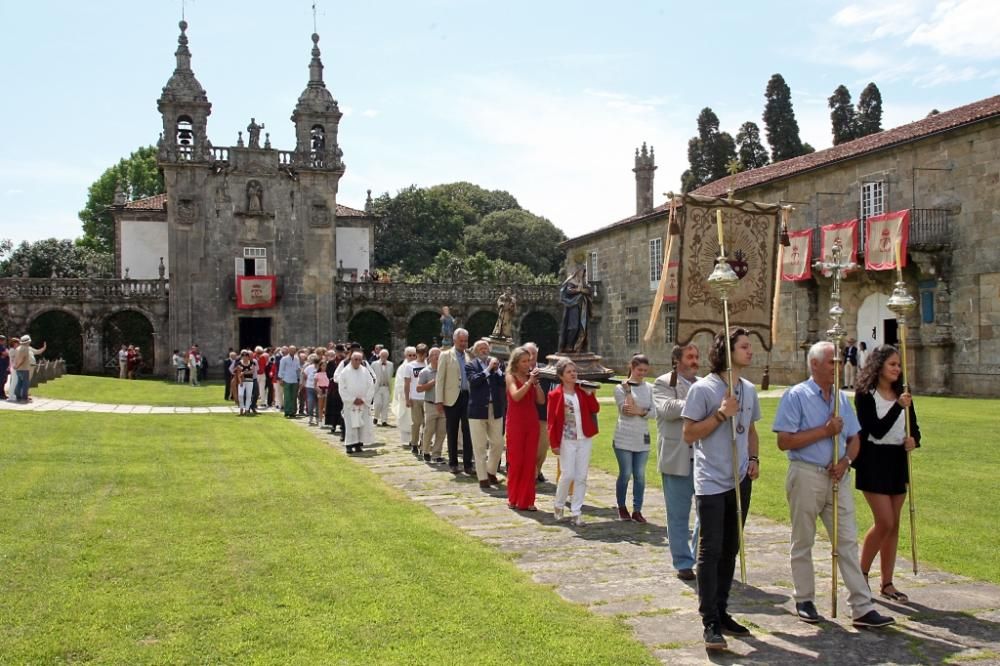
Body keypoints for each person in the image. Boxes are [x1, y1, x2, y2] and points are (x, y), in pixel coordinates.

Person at [773, 341, 895, 629]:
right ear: (814, 364)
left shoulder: (841, 398)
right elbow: (784, 441)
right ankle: (804, 598)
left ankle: (861, 607)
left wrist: (846, 463)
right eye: (832, 362)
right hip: (806, 474)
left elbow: (855, 438)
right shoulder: (796, 396)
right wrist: (824, 431)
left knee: (847, 541)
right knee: (803, 539)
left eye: (839, 362)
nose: (838, 367)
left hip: (837, 476)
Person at [681, 327, 760, 650]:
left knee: (731, 549)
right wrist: (720, 414)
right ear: (727, 352)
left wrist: (753, 457)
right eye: (744, 346)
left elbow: (751, 429)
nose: (750, 351)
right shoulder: (703, 389)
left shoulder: (749, 389)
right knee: (711, 549)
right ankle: (709, 620)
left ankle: (723, 610)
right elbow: (689, 434)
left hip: (739, 478)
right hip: (711, 480)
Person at [853, 344, 921, 604]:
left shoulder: (903, 393)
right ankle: (860, 574)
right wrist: (897, 407)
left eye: (899, 365)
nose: (897, 369)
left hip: (896, 460)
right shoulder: (865, 394)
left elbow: (913, 428)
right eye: (892, 364)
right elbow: (876, 430)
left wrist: (913, 440)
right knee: (885, 521)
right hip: (873, 461)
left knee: (894, 525)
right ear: (879, 365)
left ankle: (887, 583)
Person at [653, 343, 701, 581]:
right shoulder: (663, 382)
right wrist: (701, 402)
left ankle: (700, 556)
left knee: (707, 513)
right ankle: (683, 561)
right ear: (677, 360)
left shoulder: (702, 383)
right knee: (678, 514)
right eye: (690, 356)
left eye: (696, 356)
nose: (695, 361)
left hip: (704, 459)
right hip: (677, 457)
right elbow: (667, 409)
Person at [547, 358, 600, 525]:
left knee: (581, 476)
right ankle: (559, 505)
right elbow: (551, 421)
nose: (573, 374)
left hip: (584, 437)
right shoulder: (555, 395)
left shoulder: (582, 391)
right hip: (566, 439)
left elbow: (595, 409)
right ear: (561, 376)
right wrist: (554, 443)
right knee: (568, 474)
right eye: (569, 372)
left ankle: (576, 511)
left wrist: (590, 394)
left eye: (575, 371)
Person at [613, 354, 656, 523]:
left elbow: (654, 412)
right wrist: (629, 391)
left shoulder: (650, 388)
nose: (642, 373)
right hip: (624, 437)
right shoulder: (620, 388)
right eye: (639, 370)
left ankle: (637, 510)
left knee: (640, 475)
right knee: (626, 473)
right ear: (631, 367)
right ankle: (621, 507)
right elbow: (627, 411)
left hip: (642, 437)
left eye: (645, 371)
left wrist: (641, 411)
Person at [505, 346, 545, 511]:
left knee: (530, 461)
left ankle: (528, 500)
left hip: (531, 422)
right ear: (516, 362)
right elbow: (515, 396)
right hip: (515, 423)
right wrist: (528, 382)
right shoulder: (510, 377)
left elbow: (541, 401)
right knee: (516, 461)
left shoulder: (531, 379)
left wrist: (536, 385)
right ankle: (513, 498)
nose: (528, 364)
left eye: (529, 360)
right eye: (524, 361)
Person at [467, 339, 507, 490]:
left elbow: (504, 382)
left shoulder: (498, 365)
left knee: (498, 443)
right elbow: (474, 381)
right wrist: (488, 369)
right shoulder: (471, 365)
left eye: (486, 348)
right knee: (479, 446)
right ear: (476, 352)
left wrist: (496, 370)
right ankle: (482, 477)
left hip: (495, 409)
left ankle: (490, 470)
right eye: (481, 348)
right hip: (477, 411)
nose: (484, 350)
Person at [435, 329, 474, 476]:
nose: (464, 344)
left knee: (468, 431)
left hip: (467, 396)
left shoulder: (469, 356)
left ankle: (468, 464)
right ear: (454, 340)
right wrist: (439, 400)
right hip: (451, 398)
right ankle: (453, 463)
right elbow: (440, 379)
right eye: (461, 341)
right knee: (452, 431)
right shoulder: (445, 355)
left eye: (466, 341)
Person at [524, 342, 551, 483]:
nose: (531, 357)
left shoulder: (546, 370)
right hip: (525, 414)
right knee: (527, 446)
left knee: (542, 447)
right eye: (528, 354)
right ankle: (529, 472)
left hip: (542, 414)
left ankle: (538, 470)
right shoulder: (519, 370)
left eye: (533, 354)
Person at [339, 351, 376, 454]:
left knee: (361, 424)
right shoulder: (345, 372)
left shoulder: (365, 371)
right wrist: (353, 399)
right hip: (350, 405)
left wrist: (364, 399)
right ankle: (349, 445)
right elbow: (342, 389)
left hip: (363, 403)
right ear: (351, 359)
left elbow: (371, 386)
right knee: (351, 425)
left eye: (360, 360)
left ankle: (358, 444)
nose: (358, 362)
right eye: (355, 359)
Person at [417, 347, 446, 464]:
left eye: (438, 355)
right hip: (430, 404)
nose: (436, 357)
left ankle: (437, 454)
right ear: (429, 357)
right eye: (433, 355)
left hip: (444, 405)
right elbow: (418, 388)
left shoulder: (445, 370)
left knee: (442, 431)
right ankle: (426, 451)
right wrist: (431, 383)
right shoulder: (425, 372)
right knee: (429, 430)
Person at [558, 266, 592, 352]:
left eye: (583, 271)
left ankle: (578, 347)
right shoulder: (571, 281)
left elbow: (588, 291)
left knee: (582, 328)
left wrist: (583, 290)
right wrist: (579, 290)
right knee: (573, 327)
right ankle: (569, 345)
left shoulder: (584, 282)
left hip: (583, 307)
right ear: (576, 271)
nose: (582, 273)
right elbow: (568, 291)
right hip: (573, 306)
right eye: (581, 271)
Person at [405, 344, 429, 455]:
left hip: (427, 397)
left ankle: (424, 443)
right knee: (416, 422)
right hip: (415, 397)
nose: (422, 356)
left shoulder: (428, 365)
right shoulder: (410, 366)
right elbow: (407, 383)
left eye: (424, 354)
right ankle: (414, 443)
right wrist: (407, 398)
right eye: (420, 354)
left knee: (427, 423)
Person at [393, 347, 417, 445]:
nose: (412, 357)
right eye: (409, 355)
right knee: (406, 418)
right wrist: (406, 396)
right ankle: (407, 440)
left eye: (413, 355)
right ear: (406, 356)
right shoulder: (402, 368)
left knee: (416, 419)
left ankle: (416, 439)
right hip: (405, 397)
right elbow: (399, 383)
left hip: (416, 397)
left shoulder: (418, 366)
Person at [12, 335, 46, 403]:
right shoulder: (25, 349)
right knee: (25, 384)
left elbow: (16, 358)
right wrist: (17, 366)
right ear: (27, 342)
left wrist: (16, 366)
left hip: (19, 369)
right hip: (24, 368)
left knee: (19, 383)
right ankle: (24, 398)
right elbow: (22, 359)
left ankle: (18, 397)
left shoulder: (18, 348)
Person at [371, 349, 393, 427]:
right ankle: (376, 417)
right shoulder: (374, 364)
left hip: (386, 386)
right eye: (383, 356)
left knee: (385, 404)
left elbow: (390, 375)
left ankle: (384, 420)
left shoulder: (390, 364)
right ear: (380, 355)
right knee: (378, 404)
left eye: (386, 356)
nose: (384, 357)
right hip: (377, 387)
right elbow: (371, 375)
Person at [278, 345, 301, 418]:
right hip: (286, 379)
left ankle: (293, 411)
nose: (293, 352)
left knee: (294, 396)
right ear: (288, 350)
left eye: (294, 350)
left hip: (294, 379)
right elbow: (281, 369)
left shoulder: (297, 358)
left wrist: (299, 377)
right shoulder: (284, 359)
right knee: (287, 396)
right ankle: (287, 411)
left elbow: (298, 368)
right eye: (291, 350)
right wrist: (281, 379)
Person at [235, 350, 257, 416]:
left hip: (250, 381)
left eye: (246, 355)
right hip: (242, 381)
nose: (244, 357)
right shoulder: (239, 363)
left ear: (248, 356)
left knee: (248, 396)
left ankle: (247, 410)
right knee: (240, 395)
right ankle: (241, 408)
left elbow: (252, 371)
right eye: (243, 356)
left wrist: (244, 372)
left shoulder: (252, 363)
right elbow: (238, 373)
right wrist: (240, 381)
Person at [303, 353, 321, 425]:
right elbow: (304, 374)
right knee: (310, 401)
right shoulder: (309, 367)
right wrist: (304, 383)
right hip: (310, 387)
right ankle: (310, 416)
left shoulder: (321, 368)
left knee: (318, 404)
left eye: (318, 364)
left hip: (319, 388)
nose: (316, 365)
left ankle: (317, 417)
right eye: (315, 363)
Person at [0, 335, 9, 401]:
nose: (4, 341)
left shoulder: (3, 347)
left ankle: (2, 394)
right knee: (2, 380)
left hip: (4, 365)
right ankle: (1, 394)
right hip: (2, 366)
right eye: (4, 340)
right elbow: (5, 353)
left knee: (3, 380)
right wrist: (8, 353)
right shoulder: (1, 347)